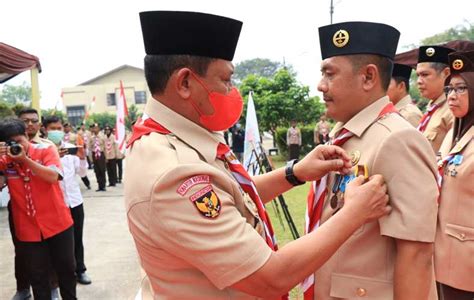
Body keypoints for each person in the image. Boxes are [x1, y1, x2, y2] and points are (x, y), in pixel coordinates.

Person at [125, 11, 390, 299]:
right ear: (185, 83)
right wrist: (354, 213)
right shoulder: (173, 172)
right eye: (225, 79)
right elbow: (272, 277)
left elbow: (235, 197)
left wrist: (295, 173)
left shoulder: (177, 136)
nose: (231, 90)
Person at [305, 22, 439, 299]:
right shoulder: (345, 134)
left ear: (368, 77)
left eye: (329, 74)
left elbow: (416, 253)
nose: (320, 85)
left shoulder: (397, 139)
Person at [0, 118, 77, 300]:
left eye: (19, 142)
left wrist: (25, 160)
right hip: (27, 230)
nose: (16, 147)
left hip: (58, 224)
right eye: (10, 144)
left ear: (27, 135)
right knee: (38, 277)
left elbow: (53, 176)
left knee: (66, 271)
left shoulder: (46, 150)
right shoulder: (4, 160)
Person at [435, 50, 474, 300]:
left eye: (461, 88)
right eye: (449, 89)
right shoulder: (454, 133)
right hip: (442, 256)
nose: (452, 96)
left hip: (467, 264)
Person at [44, 116, 93, 286]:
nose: (57, 131)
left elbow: (81, 172)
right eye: (52, 128)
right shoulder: (42, 150)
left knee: (77, 238)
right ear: (45, 130)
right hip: (56, 204)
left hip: (75, 201)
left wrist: (82, 156)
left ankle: (80, 270)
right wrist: (55, 155)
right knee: (59, 243)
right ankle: (61, 276)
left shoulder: (71, 149)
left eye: (59, 128)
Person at [416, 45, 455, 154]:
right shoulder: (432, 108)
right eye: (418, 75)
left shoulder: (452, 109)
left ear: (446, 74)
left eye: (425, 74)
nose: (419, 81)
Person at [387, 63, 423, 127]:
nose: (383, 88)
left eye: (387, 85)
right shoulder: (392, 112)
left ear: (401, 86)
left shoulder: (410, 115)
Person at [88, 123, 107, 191]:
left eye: (96, 128)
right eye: (93, 128)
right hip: (94, 155)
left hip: (101, 155)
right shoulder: (91, 138)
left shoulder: (103, 136)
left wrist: (106, 157)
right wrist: (90, 159)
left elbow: (105, 148)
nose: (94, 129)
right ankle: (99, 185)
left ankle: (103, 185)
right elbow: (89, 149)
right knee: (97, 171)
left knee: (102, 170)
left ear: (99, 128)